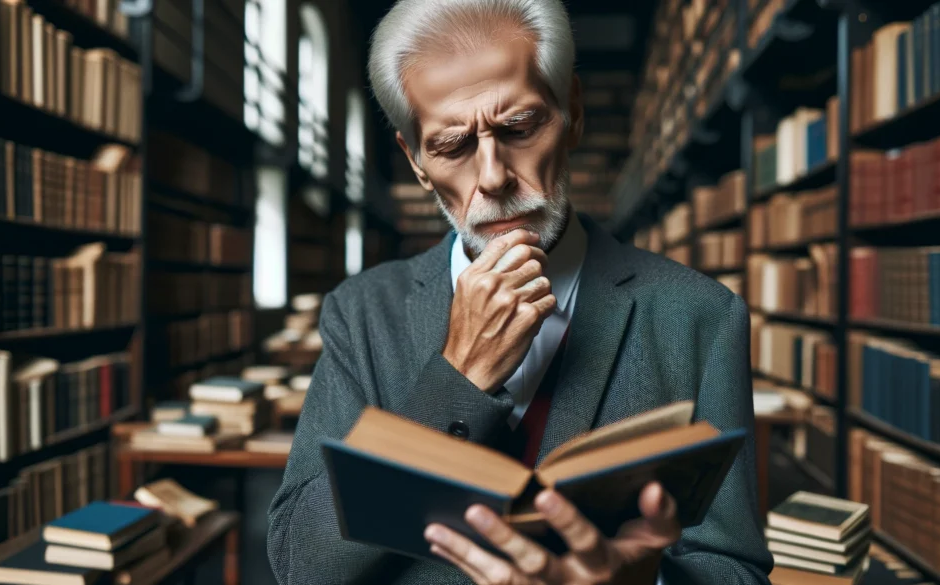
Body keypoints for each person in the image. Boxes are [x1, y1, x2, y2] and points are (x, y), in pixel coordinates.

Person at [266, 0, 773, 583]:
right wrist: (456, 379)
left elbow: (736, 570)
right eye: (453, 146)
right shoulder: (360, 313)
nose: (493, 177)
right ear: (417, 162)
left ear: (573, 112)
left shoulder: (702, 317)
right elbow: (300, 565)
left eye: (519, 128)